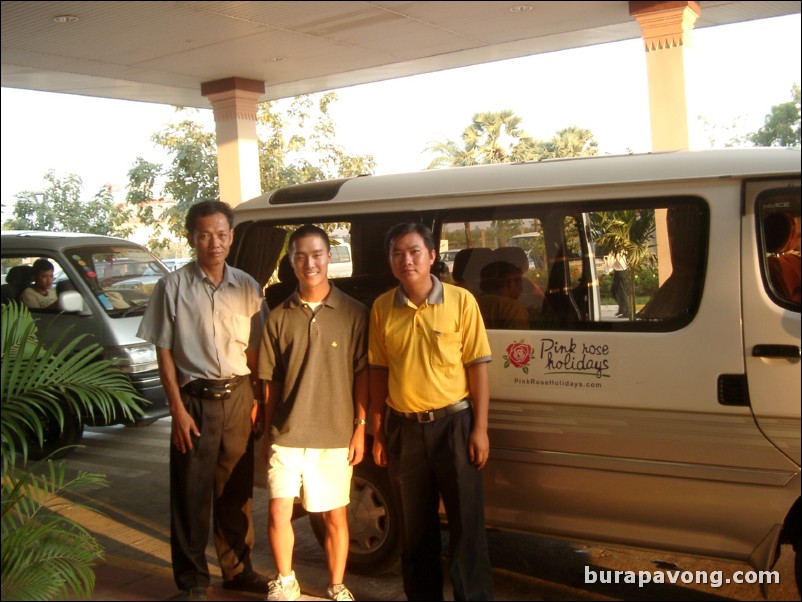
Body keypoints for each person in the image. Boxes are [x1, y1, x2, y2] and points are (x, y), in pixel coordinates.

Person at [136, 201, 267, 602]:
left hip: (238, 397)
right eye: (205, 235)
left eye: (222, 234)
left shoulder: (247, 285)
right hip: (194, 401)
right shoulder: (172, 287)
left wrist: (257, 397)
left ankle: (238, 570)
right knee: (191, 494)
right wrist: (176, 410)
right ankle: (193, 579)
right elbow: (164, 352)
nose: (214, 243)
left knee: (236, 491)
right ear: (192, 237)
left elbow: (258, 349)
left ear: (231, 237)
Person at [368, 222, 494, 601]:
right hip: (404, 431)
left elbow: (478, 367)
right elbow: (377, 371)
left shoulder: (461, 301)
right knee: (415, 531)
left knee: (467, 529)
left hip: (455, 426)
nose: (406, 260)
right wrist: (377, 431)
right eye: (397, 253)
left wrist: (481, 429)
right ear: (390, 260)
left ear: (432, 256)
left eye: (414, 251)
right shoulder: (381, 308)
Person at [259, 224, 369, 602]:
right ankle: (285, 579)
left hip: (334, 435)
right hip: (287, 435)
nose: (309, 263)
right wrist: (266, 433)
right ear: (291, 261)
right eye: (301, 256)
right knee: (277, 511)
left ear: (329, 257)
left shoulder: (355, 313)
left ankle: (337, 585)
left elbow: (363, 375)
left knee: (335, 516)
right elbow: (270, 381)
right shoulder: (278, 317)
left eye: (317, 254)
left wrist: (360, 428)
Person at [476, 260, 529, 329]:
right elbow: (520, 339)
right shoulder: (513, 308)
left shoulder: (471, 303)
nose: (522, 288)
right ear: (511, 284)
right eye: (520, 282)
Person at [603, 252, 629, 317]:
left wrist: (604, 273)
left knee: (622, 293)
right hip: (618, 272)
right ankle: (622, 308)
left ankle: (626, 312)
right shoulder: (617, 248)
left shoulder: (616, 249)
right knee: (614, 290)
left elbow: (610, 263)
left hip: (621, 272)